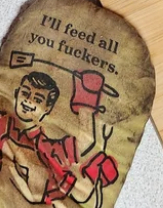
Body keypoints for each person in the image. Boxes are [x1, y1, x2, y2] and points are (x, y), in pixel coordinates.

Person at [0, 71, 115, 206]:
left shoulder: (47, 147)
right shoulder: (5, 124)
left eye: (37, 100)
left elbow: (83, 144)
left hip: (37, 194)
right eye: (25, 93)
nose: (28, 101)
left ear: (47, 108)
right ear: (16, 93)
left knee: (83, 190)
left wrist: (86, 103)